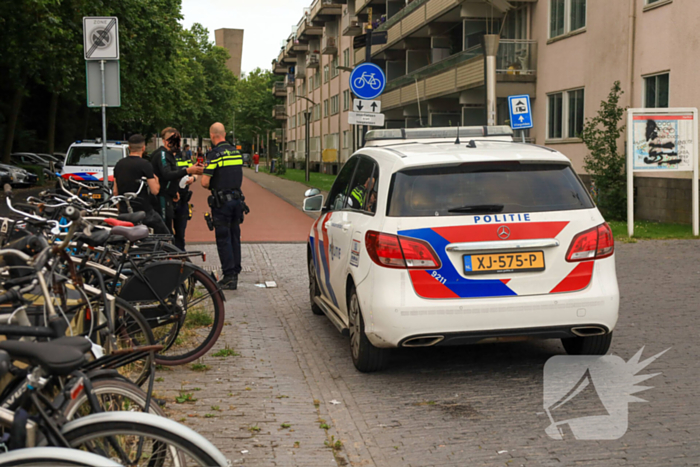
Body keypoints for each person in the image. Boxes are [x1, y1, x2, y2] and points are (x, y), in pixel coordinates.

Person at [201, 122, 244, 290]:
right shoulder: (236, 153)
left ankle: (229, 276)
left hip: (221, 203)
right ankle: (235, 271)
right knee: (235, 236)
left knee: (223, 238)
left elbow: (205, 182)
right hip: (237, 200)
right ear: (224, 134)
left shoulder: (214, 154)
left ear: (212, 136)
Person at [150, 127, 203, 246]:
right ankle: (162, 258)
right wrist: (189, 170)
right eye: (172, 140)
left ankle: (175, 255)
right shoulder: (162, 154)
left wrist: (175, 191)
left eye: (178, 140)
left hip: (174, 197)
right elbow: (167, 174)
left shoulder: (174, 155)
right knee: (164, 231)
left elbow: (173, 176)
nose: (176, 143)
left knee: (177, 232)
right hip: (162, 197)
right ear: (164, 141)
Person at [113, 134, 169, 234]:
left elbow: (115, 191)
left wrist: (120, 209)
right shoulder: (145, 164)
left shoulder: (119, 164)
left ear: (129, 148)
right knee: (165, 234)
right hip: (143, 211)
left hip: (125, 211)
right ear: (143, 148)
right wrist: (156, 180)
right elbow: (155, 190)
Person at [173, 142, 196, 250]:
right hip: (169, 198)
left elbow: (194, 172)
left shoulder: (184, 157)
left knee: (181, 230)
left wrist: (193, 178)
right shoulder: (163, 158)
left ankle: (180, 252)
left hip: (182, 198)